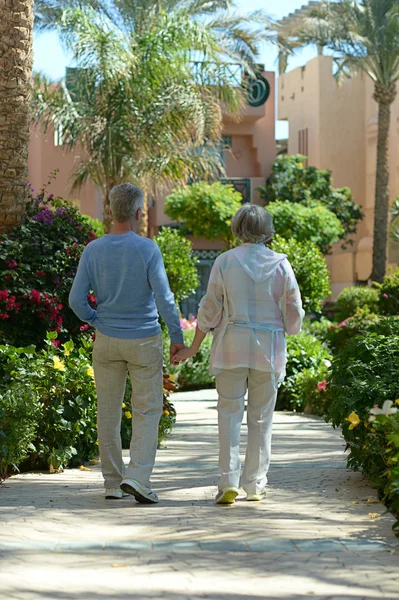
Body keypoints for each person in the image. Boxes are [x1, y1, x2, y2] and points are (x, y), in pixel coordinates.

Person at [173, 204, 304, 504]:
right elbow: (293, 309)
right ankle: (255, 485)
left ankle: (227, 482)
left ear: (237, 227)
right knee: (261, 419)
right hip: (268, 348)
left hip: (232, 343)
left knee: (229, 415)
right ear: (267, 230)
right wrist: (288, 328)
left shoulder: (225, 262)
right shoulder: (281, 264)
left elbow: (209, 309)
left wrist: (193, 347)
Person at [69, 183, 184, 504]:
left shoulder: (93, 250)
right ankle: (138, 477)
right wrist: (177, 336)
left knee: (107, 411)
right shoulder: (147, 249)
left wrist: (95, 319)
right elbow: (164, 298)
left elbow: (76, 300)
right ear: (137, 213)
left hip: (106, 340)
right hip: (144, 340)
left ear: (109, 211)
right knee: (147, 410)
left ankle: (112, 482)